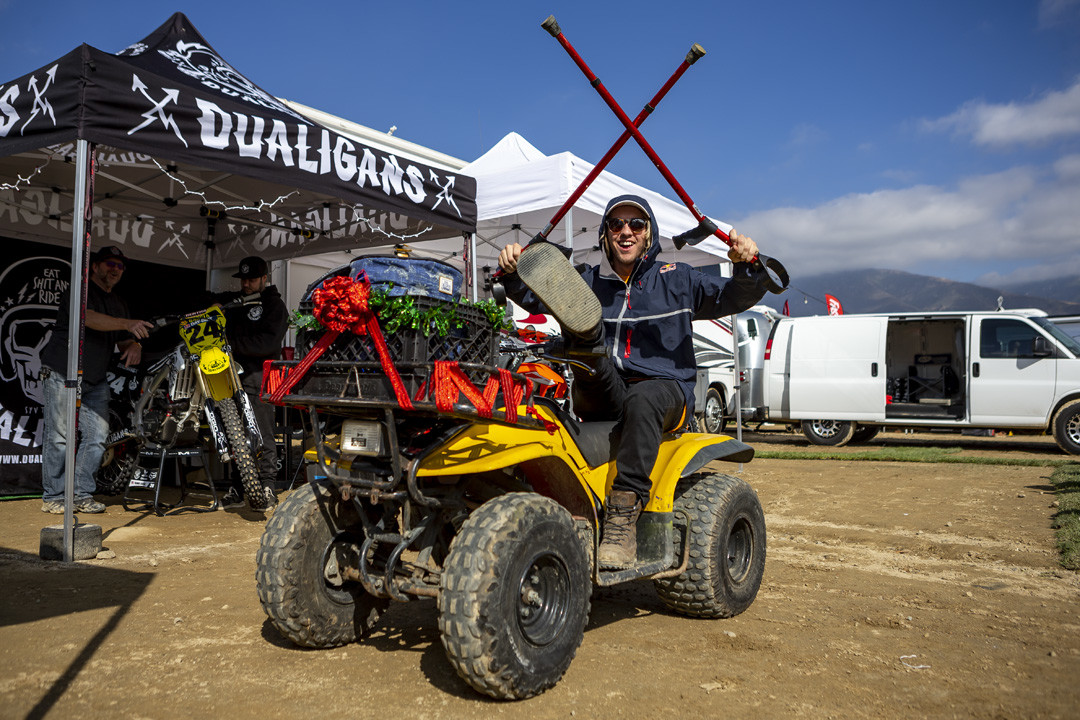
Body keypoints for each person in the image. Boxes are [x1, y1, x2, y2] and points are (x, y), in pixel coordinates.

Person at [498, 195, 769, 568]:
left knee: (643, 398)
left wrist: (747, 265)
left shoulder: (678, 278)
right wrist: (513, 269)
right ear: (606, 234)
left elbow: (731, 297)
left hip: (666, 389)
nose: (626, 232)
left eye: (636, 225)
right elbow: (532, 296)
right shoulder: (586, 281)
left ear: (649, 234)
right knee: (584, 357)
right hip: (608, 387)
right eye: (616, 224)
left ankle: (623, 519)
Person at [39, 246, 153, 514]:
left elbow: (122, 338)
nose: (115, 269)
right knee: (59, 436)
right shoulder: (80, 292)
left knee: (98, 435)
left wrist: (133, 344)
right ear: (95, 266)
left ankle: (81, 494)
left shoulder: (119, 303)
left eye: (120, 266)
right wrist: (126, 325)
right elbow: (87, 318)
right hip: (63, 370)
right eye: (110, 264)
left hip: (95, 377)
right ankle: (54, 496)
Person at [214, 256, 288, 512]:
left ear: (265, 279)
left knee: (262, 433)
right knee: (235, 435)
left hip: (259, 377)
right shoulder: (234, 304)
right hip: (230, 377)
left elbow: (269, 345)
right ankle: (238, 486)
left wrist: (233, 346)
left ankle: (268, 486)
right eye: (244, 279)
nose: (246, 284)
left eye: (252, 279)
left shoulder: (274, 306)